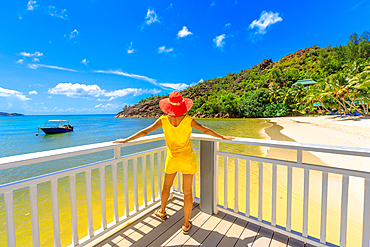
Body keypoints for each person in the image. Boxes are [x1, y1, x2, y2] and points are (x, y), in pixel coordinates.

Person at [114, 91, 233, 234]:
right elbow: (205, 130)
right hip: (187, 159)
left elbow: (145, 131)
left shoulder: (163, 120)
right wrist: (222, 137)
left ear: (168, 105)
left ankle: (162, 211)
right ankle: (185, 224)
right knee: (188, 193)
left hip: (172, 159)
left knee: (166, 187)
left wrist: (126, 140)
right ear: (182, 105)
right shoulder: (188, 120)